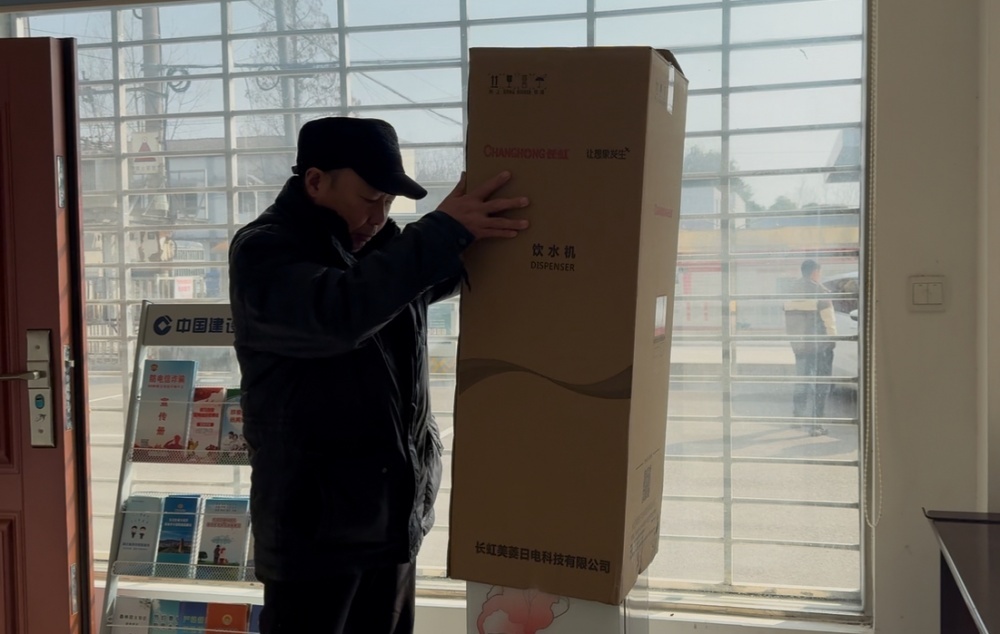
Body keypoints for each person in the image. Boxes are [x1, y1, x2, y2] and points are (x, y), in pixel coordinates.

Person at [228, 116, 530, 634]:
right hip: (315, 533)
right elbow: (339, 314)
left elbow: (427, 276)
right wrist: (440, 232)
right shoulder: (265, 250)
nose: (379, 215)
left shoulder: (377, 251)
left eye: (389, 202)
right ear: (316, 181)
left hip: (392, 520)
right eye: (370, 199)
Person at [783, 259, 837, 436]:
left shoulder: (791, 291)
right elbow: (829, 320)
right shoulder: (820, 291)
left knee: (802, 380)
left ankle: (797, 417)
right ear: (815, 272)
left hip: (799, 344)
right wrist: (832, 341)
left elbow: (789, 318)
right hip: (819, 345)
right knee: (821, 383)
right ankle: (815, 424)